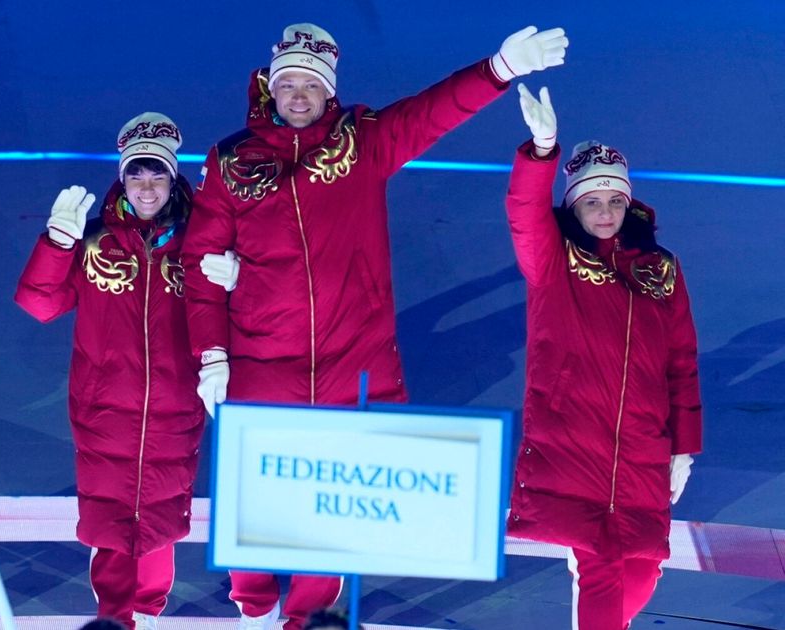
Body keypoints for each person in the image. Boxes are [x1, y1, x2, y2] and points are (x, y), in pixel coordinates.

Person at [181, 22, 568, 630]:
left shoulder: (361, 143)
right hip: (262, 363)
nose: (300, 95)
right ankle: (253, 610)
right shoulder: (231, 162)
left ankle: (307, 619)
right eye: (289, 83)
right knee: (254, 502)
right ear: (271, 87)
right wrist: (211, 354)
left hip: (351, 363)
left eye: (311, 84)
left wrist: (498, 67)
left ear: (328, 90)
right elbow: (200, 262)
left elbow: (431, 113)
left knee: (331, 511)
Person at [16, 113, 227, 630]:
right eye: (137, 175)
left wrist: (239, 275)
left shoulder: (200, 243)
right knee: (110, 524)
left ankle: (148, 616)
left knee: (159, 521)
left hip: (175, 407)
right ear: (122, 179)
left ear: (173, 179)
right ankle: (113, 619)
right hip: (104, 411)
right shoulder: (94, 242)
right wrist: (56, 244)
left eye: (157, 175)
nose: (147, 187)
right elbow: (39, 303)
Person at [504, 84, 702, 630]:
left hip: (641, 445)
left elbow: (682, 360)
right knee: (602, 564)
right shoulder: (553, 260)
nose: (606, 211)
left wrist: (684, 446)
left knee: (642, 569)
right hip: (573, 440)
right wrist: (542, 150)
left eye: (615, 200)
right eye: (592, 201)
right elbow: (523, 212)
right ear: (573, 204)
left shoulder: (661, 270)